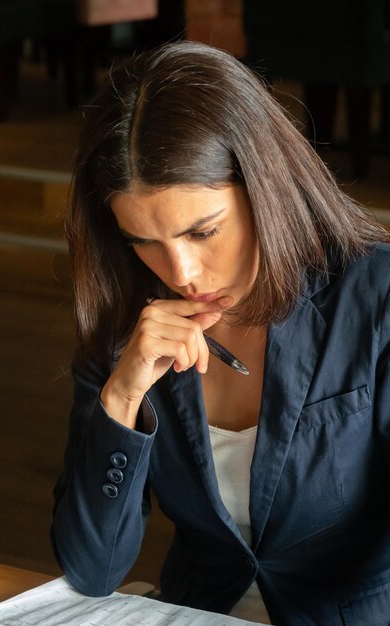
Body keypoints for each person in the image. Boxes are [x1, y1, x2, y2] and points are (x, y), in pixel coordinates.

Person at [51, 41, 390, 626]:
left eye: (203, 232)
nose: (180, 273)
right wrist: (121, 397)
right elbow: (92, 570)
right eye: (144, 242)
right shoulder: (125, 320)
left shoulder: (375, 295)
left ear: (266, 189)